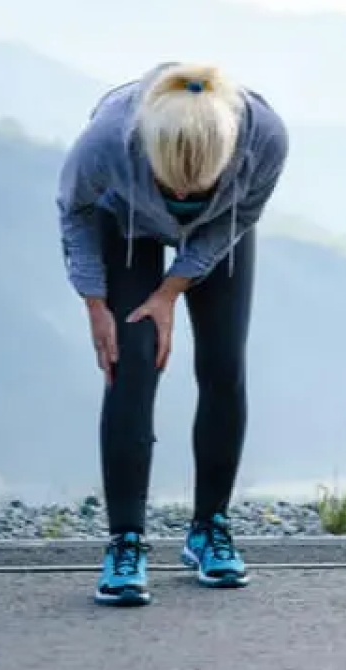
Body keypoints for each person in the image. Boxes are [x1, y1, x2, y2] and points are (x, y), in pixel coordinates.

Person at [55, 62, 289, 606]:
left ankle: (210, 527)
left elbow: (245, 213)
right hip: (126, 222)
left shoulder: (266, 139)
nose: (183, 191)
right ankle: (126, 541)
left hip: (220, 229)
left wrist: (171, 290)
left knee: (224, 364)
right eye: (172, 182)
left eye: (196, 184)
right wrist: (94, 300)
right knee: (130, 361)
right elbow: (74, 211)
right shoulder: (107, 141)